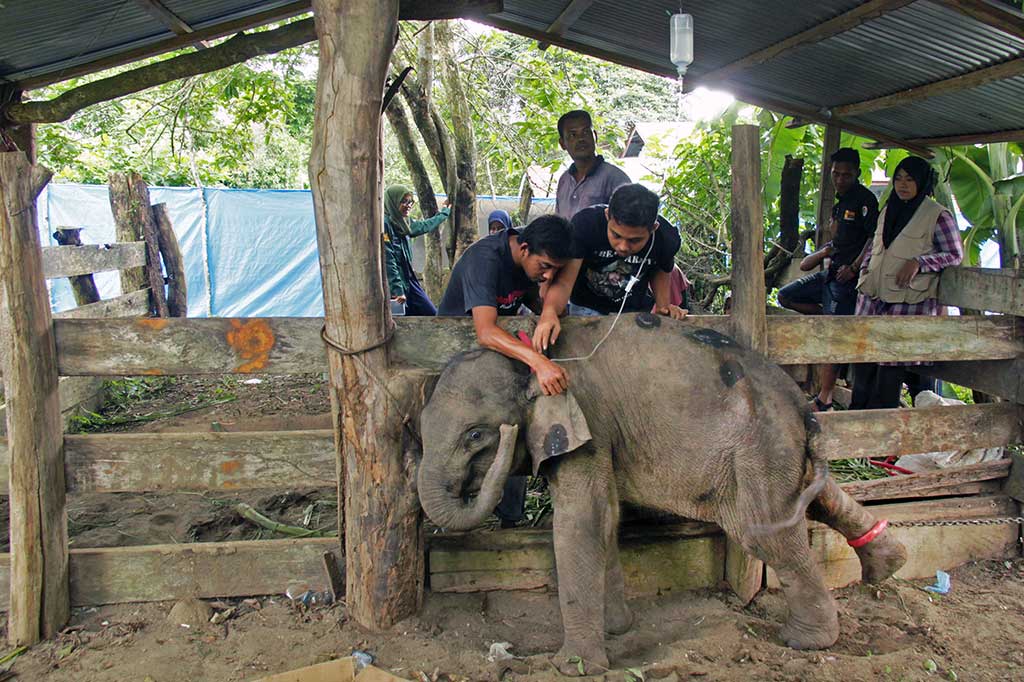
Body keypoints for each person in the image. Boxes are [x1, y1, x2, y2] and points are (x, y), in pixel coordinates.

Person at [437, 214, 574, 528]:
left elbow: (546, 307)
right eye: (545, 266)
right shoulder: (484, 260)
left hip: (496, 364)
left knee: (513, 427)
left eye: (556, 269)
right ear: (524, 249)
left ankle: (511, 519)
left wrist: (550, 305)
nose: (548, 274)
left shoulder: (531, 267)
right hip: (459, 366)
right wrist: (540, 362)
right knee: (460, 444)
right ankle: (448, 518)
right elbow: (485, 331)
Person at [851, 156, 963, 410]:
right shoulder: (888, 210)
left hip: (910, 303)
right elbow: (875, 247)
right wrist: (866, 271)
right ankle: (865, 439)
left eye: (909, 179)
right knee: (864, 369)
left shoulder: (936, 215)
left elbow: (955, 255)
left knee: (893, 373)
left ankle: (887, 444)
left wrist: (919, 262)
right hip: (873, 300)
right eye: (898, 178)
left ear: (921, 182)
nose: (903, 184)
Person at [777, 147, 879, 411]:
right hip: (830, 271)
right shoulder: (840, 202)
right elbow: (840, 238)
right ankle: (825, 313)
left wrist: (855, 267)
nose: (840, 179)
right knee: (785, 296)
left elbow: (873, 238)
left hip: (847, 279)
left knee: (833, 338)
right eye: (836, 173)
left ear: (857, 173)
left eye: (846, 174)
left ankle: (825, 398)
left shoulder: (865, 200)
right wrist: (826, 250)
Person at [534, 183, 687, 352]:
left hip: (632, 312)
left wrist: (664, 306)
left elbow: (661, 269)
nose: (622, 246)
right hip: (586, 307)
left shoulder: (665, 238)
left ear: (653, 228)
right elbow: (564, 282)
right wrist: (549, 312)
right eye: (616, 235)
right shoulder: (586, 225)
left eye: (634, 240)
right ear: (607, 216)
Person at [384, 185, 450, 316]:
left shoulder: (405, 224)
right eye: (404, 201)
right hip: (395, 284)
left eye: (410, 202)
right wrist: (397, 290)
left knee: (432, 314)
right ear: (393, 202)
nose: (408, 205)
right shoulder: (386, 225)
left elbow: (425, 225)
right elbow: (388, 260)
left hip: (409, 280)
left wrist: (444, 213)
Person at [555, 109, 630, 219]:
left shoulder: (615, 178)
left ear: (595, 136)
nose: (580, 139)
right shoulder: (564, 180)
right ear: (562, 144)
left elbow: (630, 225)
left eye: (585, 132)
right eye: (573, 135)